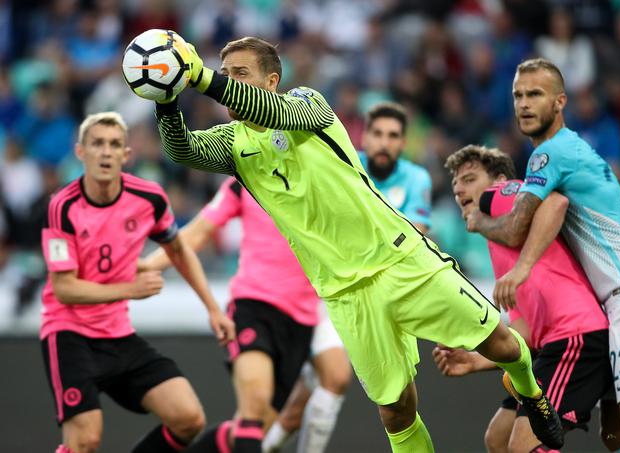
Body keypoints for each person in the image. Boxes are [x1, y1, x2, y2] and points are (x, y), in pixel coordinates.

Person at [148, 36, 565, 452]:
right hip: (345, 293)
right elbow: (180, 150)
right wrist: (165, 97)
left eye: (240, 74)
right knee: (396, 410)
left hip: (399, 259)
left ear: (272, 80)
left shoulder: (307, 104)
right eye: (224, 75)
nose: (228, 83)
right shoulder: (232, 142)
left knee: (499, 343)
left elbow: (272, 110)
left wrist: (200, 78)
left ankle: (530, 390)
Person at [466, 58, 620, 453]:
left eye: (535, 94)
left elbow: (518, 226)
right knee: (617, 434)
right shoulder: (570, 150)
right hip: (619, 300)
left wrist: (480, 224)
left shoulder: (551, 154)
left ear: (560, 101)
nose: (524, 104)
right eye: (517, 95)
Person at [40, 111, 235, 453]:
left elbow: (178, 250)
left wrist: (213, 308)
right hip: (69, 335)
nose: (105, 152)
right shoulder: (63, 206)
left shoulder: (149, 199)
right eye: (97, 144)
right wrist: (129, 289)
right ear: (80, 152)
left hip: (117, 334)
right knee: (85, 440)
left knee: (189, 418)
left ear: (126, 155)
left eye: (114, 144)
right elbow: (64, 288)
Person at [437, 144, 620, 452]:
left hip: (576, 336)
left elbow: (554, 203)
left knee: (526, 446)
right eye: (455, 185)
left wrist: (522, 266)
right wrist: (475, 360)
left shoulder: (500, 194)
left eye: (469, 179)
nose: (459, 189)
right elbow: (525, 332)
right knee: (499, 439)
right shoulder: (496, 237)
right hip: (557, 343)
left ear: (498, 179)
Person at [263, 101, 432, 453]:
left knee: (312, 398)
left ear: (403, 143)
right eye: (378, 134)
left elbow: (417, 231)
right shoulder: (339, 158)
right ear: (363, 138)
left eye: (393, 136)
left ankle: (264, 448)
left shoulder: (416, 179)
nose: (384, 142)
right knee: (337, 379)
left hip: (390, 287)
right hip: (341, 287)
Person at [140, 172, 334, 452]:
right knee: (254, 407)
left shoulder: (322, 181)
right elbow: (197, 232)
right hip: (253, 307)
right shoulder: (245, 180)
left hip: (301, 320)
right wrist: (148, 266)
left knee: (251, 429)